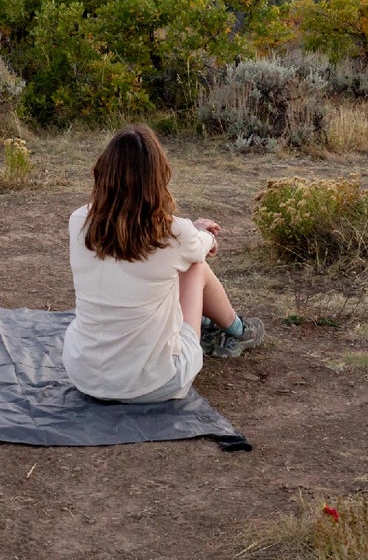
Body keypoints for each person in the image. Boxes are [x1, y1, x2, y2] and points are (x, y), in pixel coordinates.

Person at [62, 124, 265, 404]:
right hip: (154, 384)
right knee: (195, 266)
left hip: (85, 375)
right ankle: (237, 331)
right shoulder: (174, 233)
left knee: (171, 269)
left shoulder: (79, 222)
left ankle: (218, 327)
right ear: (157, 176)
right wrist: (203, 233)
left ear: (103, 172)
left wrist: (192, 235)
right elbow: (202, 246)